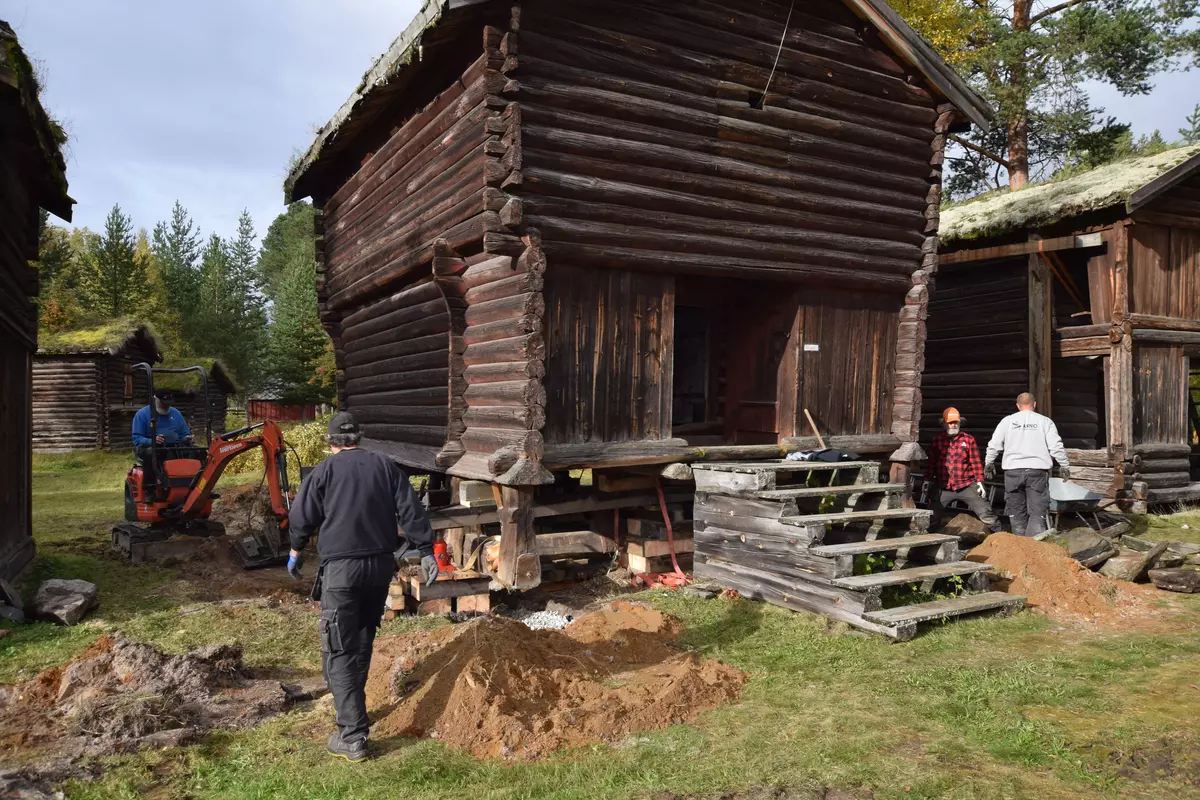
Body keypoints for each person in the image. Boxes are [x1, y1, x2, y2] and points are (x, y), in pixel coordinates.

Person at [286, 412, 438, 762]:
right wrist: (427, 550)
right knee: (363, 637)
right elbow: (411, 510)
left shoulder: (324, 471)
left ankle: (352, 736)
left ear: (330, 441)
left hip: (342, 570)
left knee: (339, 646)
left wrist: (295, 550)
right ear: (360, 437)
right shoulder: (385, 466)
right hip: (379, 567)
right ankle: (356, 712)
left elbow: (302, 517)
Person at [984, 392, 1071, 538]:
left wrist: (989, 463)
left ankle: (1020, 545)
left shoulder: (1007, 421)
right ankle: (1034, 546)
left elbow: (994, 445)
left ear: (1018, 406)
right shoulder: (1045, 422)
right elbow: (1056, 446)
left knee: (1016, 511)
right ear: (1034, 405)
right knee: (1037, 512)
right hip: (1037, 472)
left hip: (1013, 472)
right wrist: (1064, 465)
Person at [927, 407, 1000, 533]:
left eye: (956, 422)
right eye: (950, 422)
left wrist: (980, 481)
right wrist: (927, 480)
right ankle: (927, 543)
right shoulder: (937, 440)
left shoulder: (968, 439)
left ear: (960, 422)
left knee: (986, 513)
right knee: (931, 517)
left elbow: (975, 462)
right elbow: (932, 463)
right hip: (943, 486)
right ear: (943, 423)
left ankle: (1000, 538)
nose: (953, 425)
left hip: (966, 484)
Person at [131, 389, 194, 484]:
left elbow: (184, 433)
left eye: (169, 403)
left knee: (198, 452)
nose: (166, 406)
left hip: (175, 447)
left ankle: (195, 484)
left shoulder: (176, 413)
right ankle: (150, 489)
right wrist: (152, 440)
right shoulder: (142, 415)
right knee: (151, 455)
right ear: (155, 400)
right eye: (164, 403)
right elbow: (137, 438)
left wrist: (187, 438)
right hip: (150, 447)